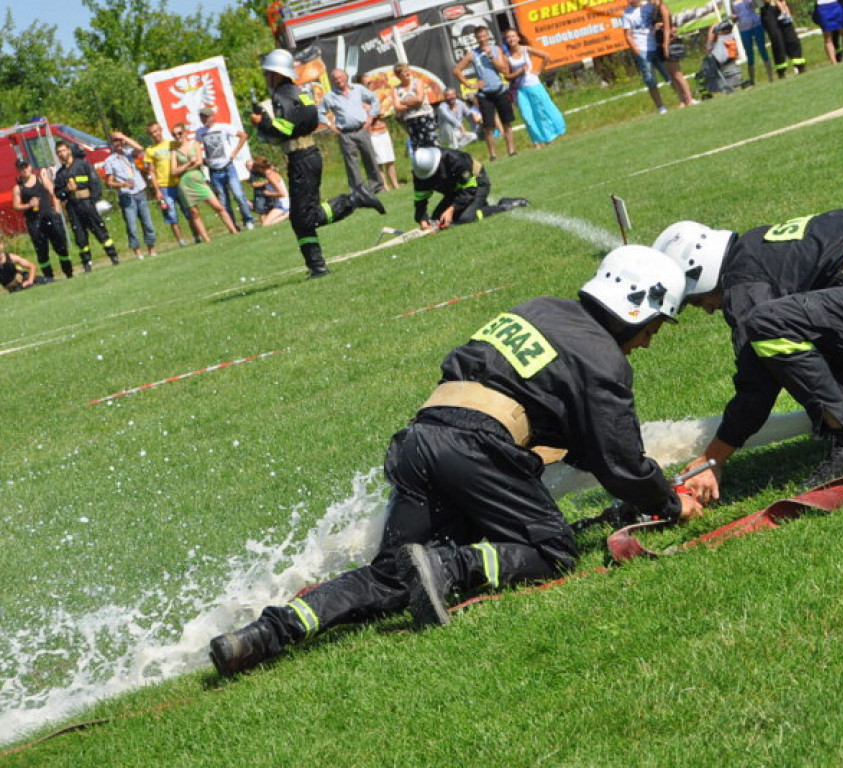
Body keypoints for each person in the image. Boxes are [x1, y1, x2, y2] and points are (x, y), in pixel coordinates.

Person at [208, 244, 702, 675]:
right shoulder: (603, 360)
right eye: (656, 325)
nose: (651, 340)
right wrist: (671, 503)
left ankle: (265, 634)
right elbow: (620, 462)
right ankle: (449, 568)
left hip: (422, 439)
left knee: (393, 576)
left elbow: (570, 432)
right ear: (639, 309)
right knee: (553, 551)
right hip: (473, 449)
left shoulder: (540, 308)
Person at [652, 209, 843, 497]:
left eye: (696, 301)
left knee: (768, 325)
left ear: (699, 273)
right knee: (802, 333)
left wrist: (712, 459)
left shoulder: (744, 283)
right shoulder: (757, 248)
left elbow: (756, 387)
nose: (707, 309)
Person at [251, 49, 385, 279]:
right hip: (305, 155)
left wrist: (262, 123)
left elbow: (286, 128)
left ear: (275, 73)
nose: (265, 77)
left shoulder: (283, 94)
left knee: (306, 216)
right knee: (300, 217)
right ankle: (317, 267)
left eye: (267, 73)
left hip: (302, 157)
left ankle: (355, 199)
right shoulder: (296, 91)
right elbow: (307, 120)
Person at [410, 146, 528, 231]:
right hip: (456, 192)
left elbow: (469, 190)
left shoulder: (455, 160)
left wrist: (451, 209)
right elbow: (420, 199)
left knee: (466, 218)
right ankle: (479, 206)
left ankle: (504, 205)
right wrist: (423, 219)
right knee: (436, 220)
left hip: (477, 185)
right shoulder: (420, 173)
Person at [453, 26, 519, 160]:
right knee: (488, 126)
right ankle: (492, 154)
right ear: (476, 39)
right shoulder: (472, 54)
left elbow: (504, 70)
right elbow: (456, 70)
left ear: (488, 36)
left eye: (484, 36)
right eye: (479, 37)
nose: (482, 39)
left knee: (507, 122)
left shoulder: (496, 49)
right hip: (484, 94)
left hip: (499, 90)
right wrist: (470, 84)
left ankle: (511, 150)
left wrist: (491, 56)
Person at [53, 140, 118, 271]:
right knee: (80, 237)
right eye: (58, 152)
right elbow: (58, 193)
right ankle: (87, 263)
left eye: (63, 150)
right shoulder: (60, 174)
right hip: (73, 207)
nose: (61, 154)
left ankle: (113, 256)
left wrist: (94, 202)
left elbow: (95, 183)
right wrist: (66, 189)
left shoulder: (83, 165)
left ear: (69, 150)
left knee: (100, 231)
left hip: (87, 203)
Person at [169, 123, 239, 242]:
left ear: (185, 133)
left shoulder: (194, 144)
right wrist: (188, 164)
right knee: (194, 212)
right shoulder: (174, 152)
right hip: (185, 184)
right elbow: (174, 171)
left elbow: (199, 162)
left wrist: (186, 167)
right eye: (174, 135)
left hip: (198, 179)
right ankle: (206, 239)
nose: (177, 136)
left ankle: (233, 230)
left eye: (180, 133)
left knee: (218, 206)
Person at [622, 0, 695, 114]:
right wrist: (637, 50)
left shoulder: (650, 6)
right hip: (643, 50)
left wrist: (670, 30)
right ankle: (661, 107)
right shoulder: (627, 14)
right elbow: (627, 35)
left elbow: (666, 19)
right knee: (651, 80)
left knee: (671, 75)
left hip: (657, 45)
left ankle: (686, 99)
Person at [319, 69, 385, 194]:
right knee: (351, 162)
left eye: (340, 77)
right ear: (332, 81)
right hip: (345, 133)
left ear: (346, 77)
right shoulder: (329, 96)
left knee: (370, 157)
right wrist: (330, 125)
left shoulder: (358, 89)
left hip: (362, 129)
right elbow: (319, 112)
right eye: (335, 78)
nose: (339, 80)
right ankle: (358, 191)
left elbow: (374, 99)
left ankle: (377, 186)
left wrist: (371, 116)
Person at [503, 30, 567, 148]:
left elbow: (546, 56)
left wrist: (538, 71)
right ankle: (537, 141)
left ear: (518, 38)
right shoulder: (507, 57)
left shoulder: (526, 49)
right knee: (527, 116)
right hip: (520, 90)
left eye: (513, 36)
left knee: (541, 111)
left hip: (533, 85)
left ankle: (549, 137)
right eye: (508, 37)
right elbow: (507, 76)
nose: (511, 39)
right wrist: (519, 73)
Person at [11, 160, 73, 280]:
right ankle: (48, 277)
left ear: (30, 167)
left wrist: (57, 211)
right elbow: (16, 206)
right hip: (34, 222)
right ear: (18, 170)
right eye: (21, 168)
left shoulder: (41, 179)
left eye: (26, 166)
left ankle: (69, 273)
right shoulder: (18, 188)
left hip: (50, 217)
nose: (24, 170)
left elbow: (53, 193)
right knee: (42, 252)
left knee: (60, 247)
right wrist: (28, 205)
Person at [143, 121, 200, 247]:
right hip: (164, 186)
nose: (155, 134)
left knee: (189, 211)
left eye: (156, 131)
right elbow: (151, 172)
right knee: (172, 215)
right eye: (152, 133)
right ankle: (181, 241)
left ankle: (197, 235)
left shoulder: (172, 144)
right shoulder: (150, 151)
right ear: (149, 135)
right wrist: (157, 190)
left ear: (161, 130)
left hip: (180, 182)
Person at [102, 131, 157, 259]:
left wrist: (124, 137)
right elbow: (109, 182)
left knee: (147, 223)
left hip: (140, 190)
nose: (118, 143)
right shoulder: (110, 161)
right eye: (115, 141)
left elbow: (140, 148)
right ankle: (137, 251)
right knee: (132, 226)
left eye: (119, 141)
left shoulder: (129, 153)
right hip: (126, 195)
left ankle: (151, 248)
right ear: (112, 144)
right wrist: (122, 185)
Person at [390, 62, 440, 153]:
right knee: (418, 146)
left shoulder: (418, 82)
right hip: (410, 120)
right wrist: (413, 102)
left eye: (407, 70)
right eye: (404, 72)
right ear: (398, 75)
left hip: (424, 116)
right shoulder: (396, 89)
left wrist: (403, 101)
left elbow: (419, 100)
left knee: (431, 142)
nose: (407, 73)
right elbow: (397, 107)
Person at [760, 0, 806, 79]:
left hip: (782, 6)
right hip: (768, 10)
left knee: (792, 38)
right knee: (777, 40)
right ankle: (781, 71)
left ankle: (800, 66)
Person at [732, 0, 774, 84]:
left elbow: (759, 5)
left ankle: (771, 77)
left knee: (762, 50)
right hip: (744, 29)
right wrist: (734, 17)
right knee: (749, 53)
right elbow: (733, 17)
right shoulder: (732, 2)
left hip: (756, 25)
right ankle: (752, 80)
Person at [247, 156, 290, 226]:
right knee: (264, 221)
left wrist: (268, 193)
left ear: (259, 168)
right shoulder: (269, 174)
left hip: (283, 204)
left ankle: (288, 214)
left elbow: (282, 193)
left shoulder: (270, 176)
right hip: (278, 203)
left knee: (265, 224)